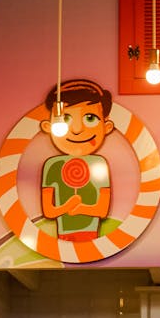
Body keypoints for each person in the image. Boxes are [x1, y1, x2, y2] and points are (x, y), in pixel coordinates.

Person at [40, 78, 114, 241]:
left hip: (91, 232)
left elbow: (102, 210)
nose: (77, 129)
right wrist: (68, 205)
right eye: (65, 119)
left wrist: (80, 208)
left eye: (90, 118)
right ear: (48, 127)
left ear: (106, 127)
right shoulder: (52, 166)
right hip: (63, 234)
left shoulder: (99, 164)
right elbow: (49, 211)